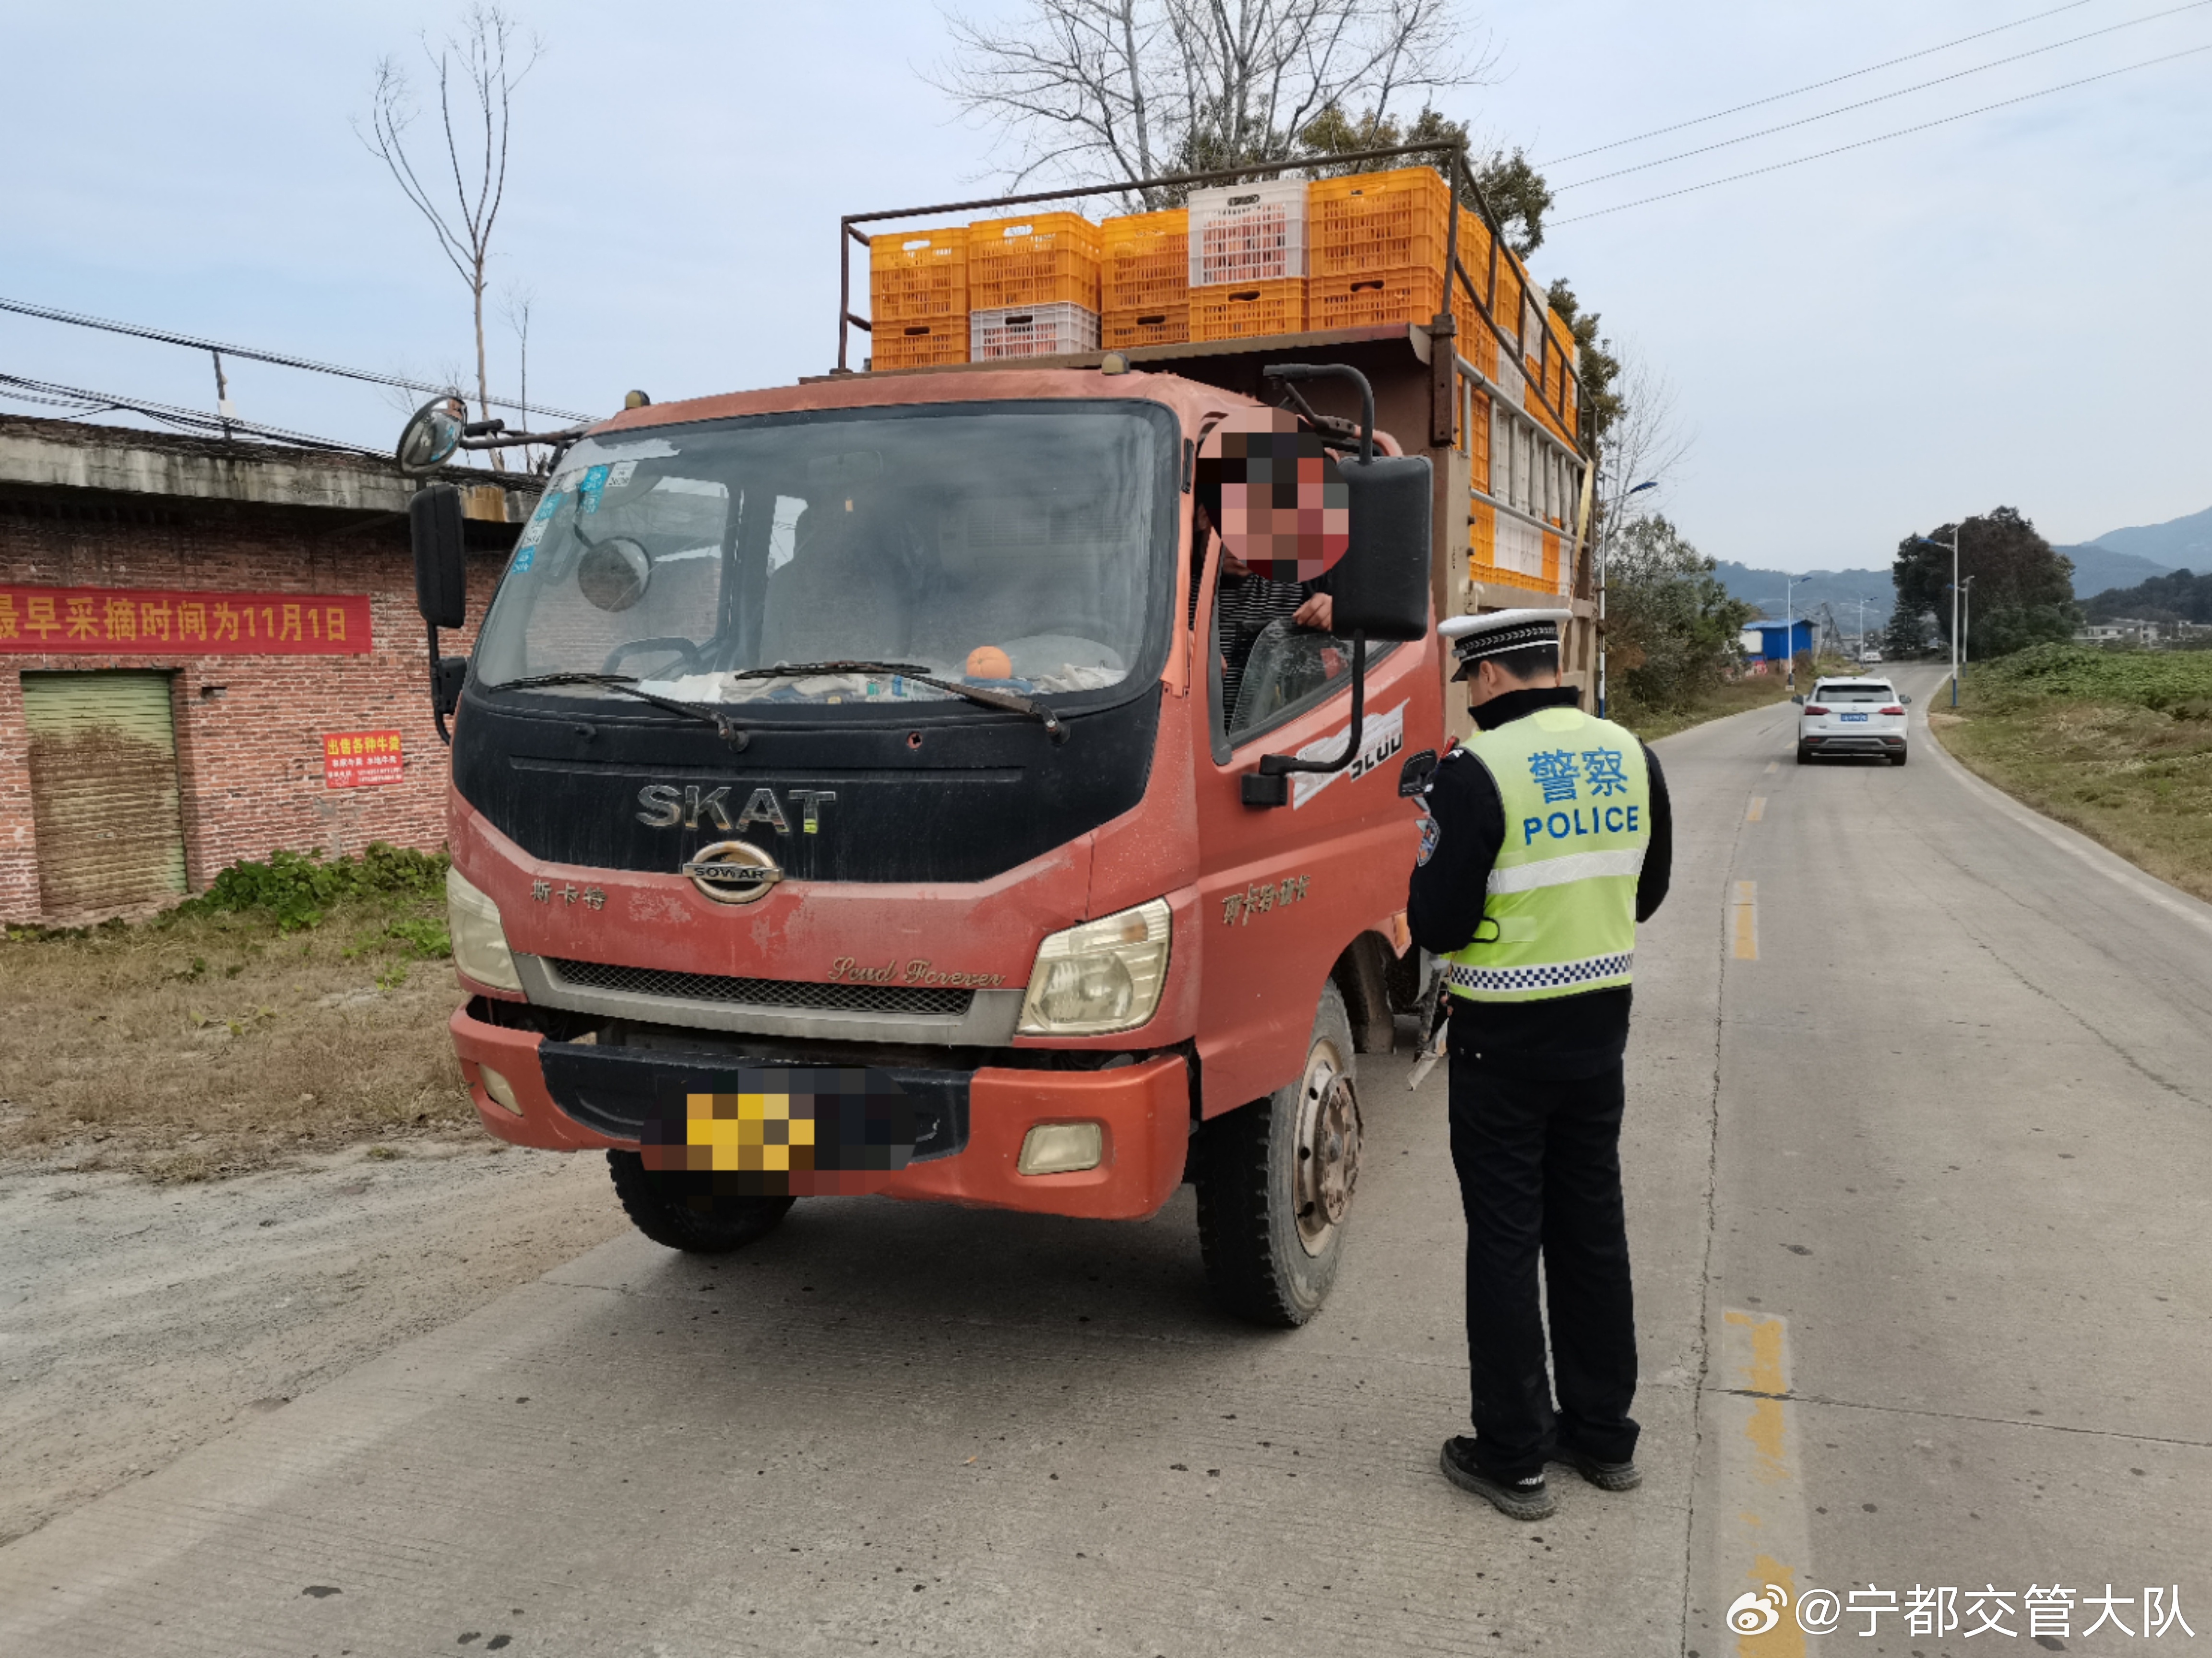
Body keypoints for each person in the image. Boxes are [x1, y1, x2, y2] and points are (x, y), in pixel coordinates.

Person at [1405, 608, 1673, 1522]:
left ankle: (1514, 1454)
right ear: (1548, 668)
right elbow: (1650, 889)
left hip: (1502, 1040)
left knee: (1508, 1240)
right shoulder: (1634, 753)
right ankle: (1604, 1437)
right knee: (1593, 1229)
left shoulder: (1473, 774)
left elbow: (1436, 925)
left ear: (1485, 679)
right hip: (1600, 1034)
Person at [1193, 504, 1335, 728]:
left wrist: (1337, 610)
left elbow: (1376, 612)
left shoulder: (1304, 573)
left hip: (1272, 734)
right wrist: (1171, 645)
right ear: (1203, 517)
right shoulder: (1163, 583)